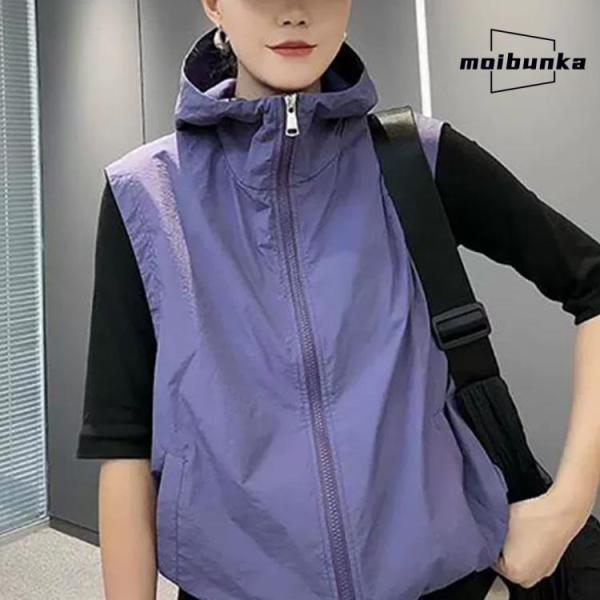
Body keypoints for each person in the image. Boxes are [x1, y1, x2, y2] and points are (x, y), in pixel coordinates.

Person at [76, 1, 600, 599]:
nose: (295, 12)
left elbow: (592, 281)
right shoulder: (147, 194)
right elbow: (123, 441)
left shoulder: (416, 156)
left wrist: (566, 507)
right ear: (215, 3)